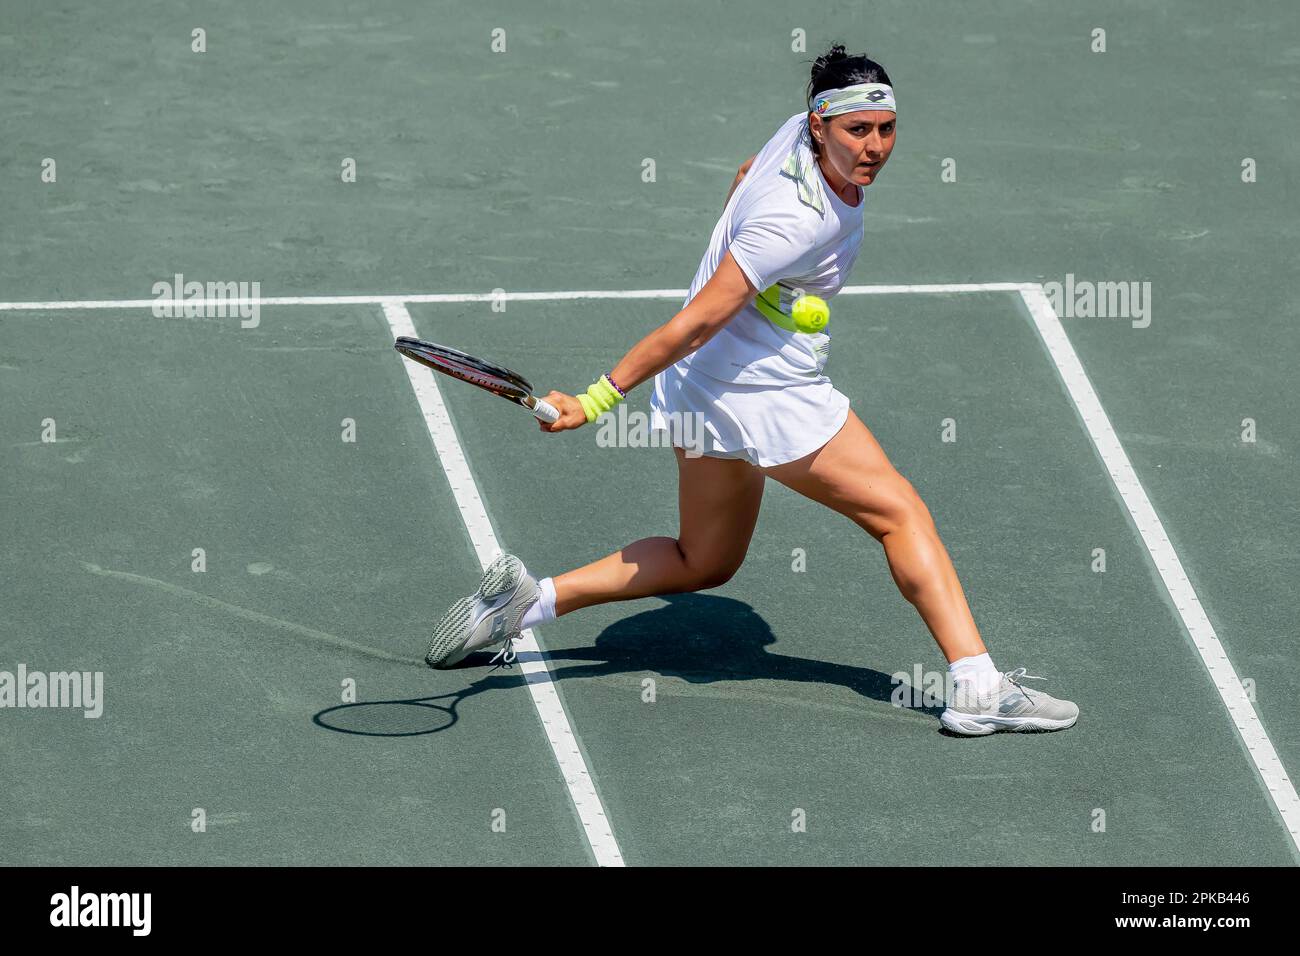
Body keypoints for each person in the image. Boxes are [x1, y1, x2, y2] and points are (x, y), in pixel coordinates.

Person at [426, 45, 1078, 736]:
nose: (876, 147)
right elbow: (697, 319)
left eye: (886, 129)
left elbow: (743, 179)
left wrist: (765, 287)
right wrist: (596, 400)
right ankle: (977, 686)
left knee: (702, 560)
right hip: (767, 395)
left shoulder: (791, 135)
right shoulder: (798, 221)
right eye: (859, 132)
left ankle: (521, 607)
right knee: (899, 513)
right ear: (821, 125)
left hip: (703, 391)